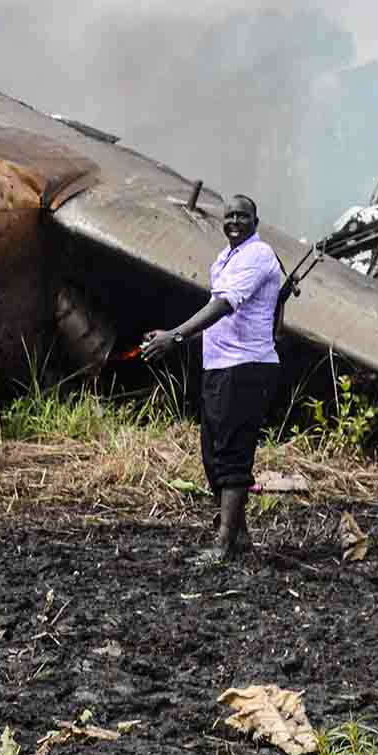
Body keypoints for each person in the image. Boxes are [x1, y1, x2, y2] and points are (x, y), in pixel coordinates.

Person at [142, 194, 283, 566]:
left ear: (256, 220)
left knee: (232, 452)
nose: (235, 221)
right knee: (213, 451)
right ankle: (240, 537)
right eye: (230, 216)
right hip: (221, 366)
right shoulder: (225, 258)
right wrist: (173, 334)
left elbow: (223, 305)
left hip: (245, 366)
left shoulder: (257, 255)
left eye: (242, 215)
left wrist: (175, 335)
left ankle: (222, 546)